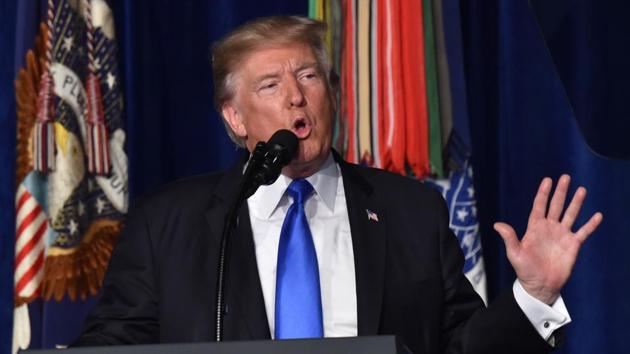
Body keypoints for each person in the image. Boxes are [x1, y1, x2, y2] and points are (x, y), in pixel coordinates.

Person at [74, 16, 603, 353]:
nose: (295, 98)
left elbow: (464, 345)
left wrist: (533, 296)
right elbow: (115, 342)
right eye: (270, 85)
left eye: (308, 77)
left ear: (332, 93)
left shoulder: (410, 211)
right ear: (235, 118)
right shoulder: (169, 221)